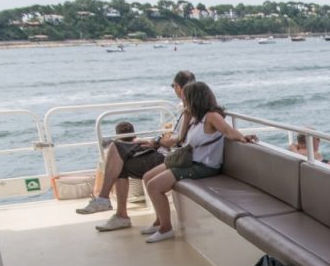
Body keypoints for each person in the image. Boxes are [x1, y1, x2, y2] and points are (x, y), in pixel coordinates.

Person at [77, 70, 196, 231]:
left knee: (117, 150)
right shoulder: (187, 108)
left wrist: (156, 141)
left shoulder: (191, 110)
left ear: (179, 88)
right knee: (119, 156)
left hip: (172, 156)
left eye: (173, 86)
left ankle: (110, 205)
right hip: (167, 151)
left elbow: (178, 140)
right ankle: (116, 211)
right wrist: (151, 141)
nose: (173, 89)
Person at [141, 81, 258, 243]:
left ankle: (166, 229)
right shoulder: (196, 118)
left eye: (186, 99)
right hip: (190, 161)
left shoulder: (212, 117)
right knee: (147, 177)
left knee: (154, 186)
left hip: (204, 166)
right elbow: (181, 139)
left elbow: (228, 131)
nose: (184, 103)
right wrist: (186, 117)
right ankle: (159, 220)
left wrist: (243, 137)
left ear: (194, 99)